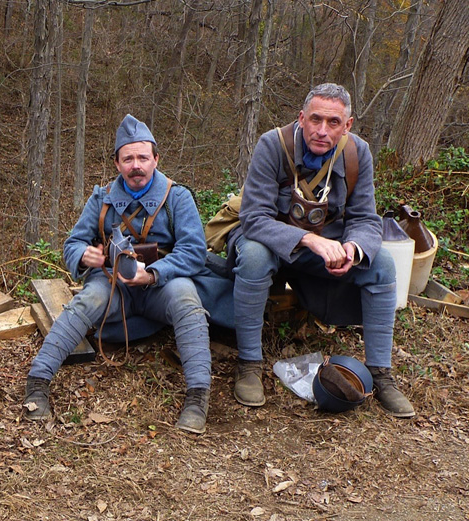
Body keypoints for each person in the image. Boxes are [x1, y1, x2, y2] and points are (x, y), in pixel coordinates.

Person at [23, 114, 227, 434]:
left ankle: (198, 397)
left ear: (156, 159)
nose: (136, 165)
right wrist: (83, 255)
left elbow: (193, 251)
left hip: (162, 286)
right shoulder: (101, 198)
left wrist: (154, 273)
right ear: (117, 163)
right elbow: (73, 243)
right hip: (113, 285)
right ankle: (37, 384)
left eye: (143, 157)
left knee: (187, 300)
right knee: (87, 299)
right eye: (128, 158)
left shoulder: (177, 197)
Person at [229, 83, 415, 417]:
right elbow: (253, 218)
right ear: (301, 118)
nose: (322, 130)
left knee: (383, 264)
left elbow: (365, 219)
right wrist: (310, 240)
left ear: (348, 125)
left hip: (325, 250)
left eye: (333, 122)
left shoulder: (358, 153)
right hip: (272, 242)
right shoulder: (272, 145)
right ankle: (249, 364)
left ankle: (380, 374)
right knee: (254, 255)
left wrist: (352, 250)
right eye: (315, 119)